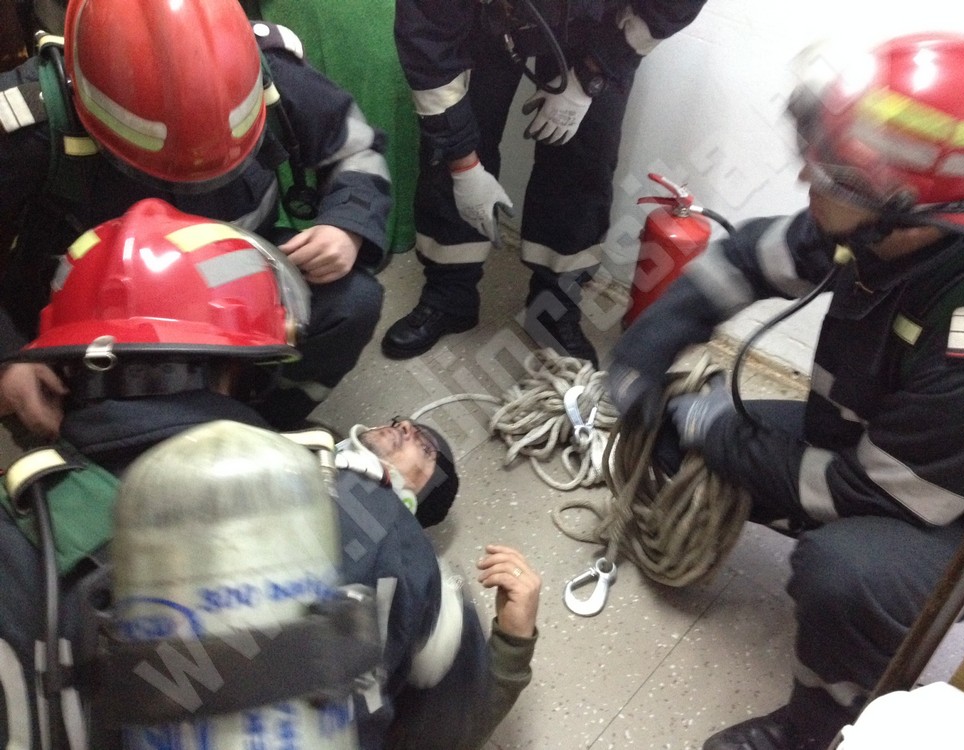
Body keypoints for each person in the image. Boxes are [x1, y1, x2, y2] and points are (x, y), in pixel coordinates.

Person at [0, 199, 540, 750]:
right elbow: (450, 726)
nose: (403, 429)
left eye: (423, 450)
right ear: (247, 371)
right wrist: (511, 649)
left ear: (61, 368)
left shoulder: (17, 528)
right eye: (401, 425)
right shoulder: (386, 541)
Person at [608, 33, 964, 750]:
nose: (806, 181)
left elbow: (871, 494)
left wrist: (714, 430)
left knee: (841, 573)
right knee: (677, 431)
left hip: (961, 530)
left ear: (911, 208)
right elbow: (744, 259)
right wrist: (645, 353)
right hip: (879, 453)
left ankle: (815, 728)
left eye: (834, 176)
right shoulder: (881, 232)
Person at [0, 0, 392, 437]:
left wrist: (346, 225)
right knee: (99, 436)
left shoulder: (263, 68)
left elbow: (355, 147)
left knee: (352, 304)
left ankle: (264, 427)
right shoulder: (29, 119)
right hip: (93, 322)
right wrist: (8, 358)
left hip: (234, 285)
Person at [382, 0, 707, 366]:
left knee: (585, 157)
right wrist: (464, 168)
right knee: (452, 138)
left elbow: (670, 7)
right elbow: (428, 45)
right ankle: (449, 297)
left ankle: (554, 308)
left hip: (598, 22)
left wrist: (589, 77)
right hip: (484, 16)